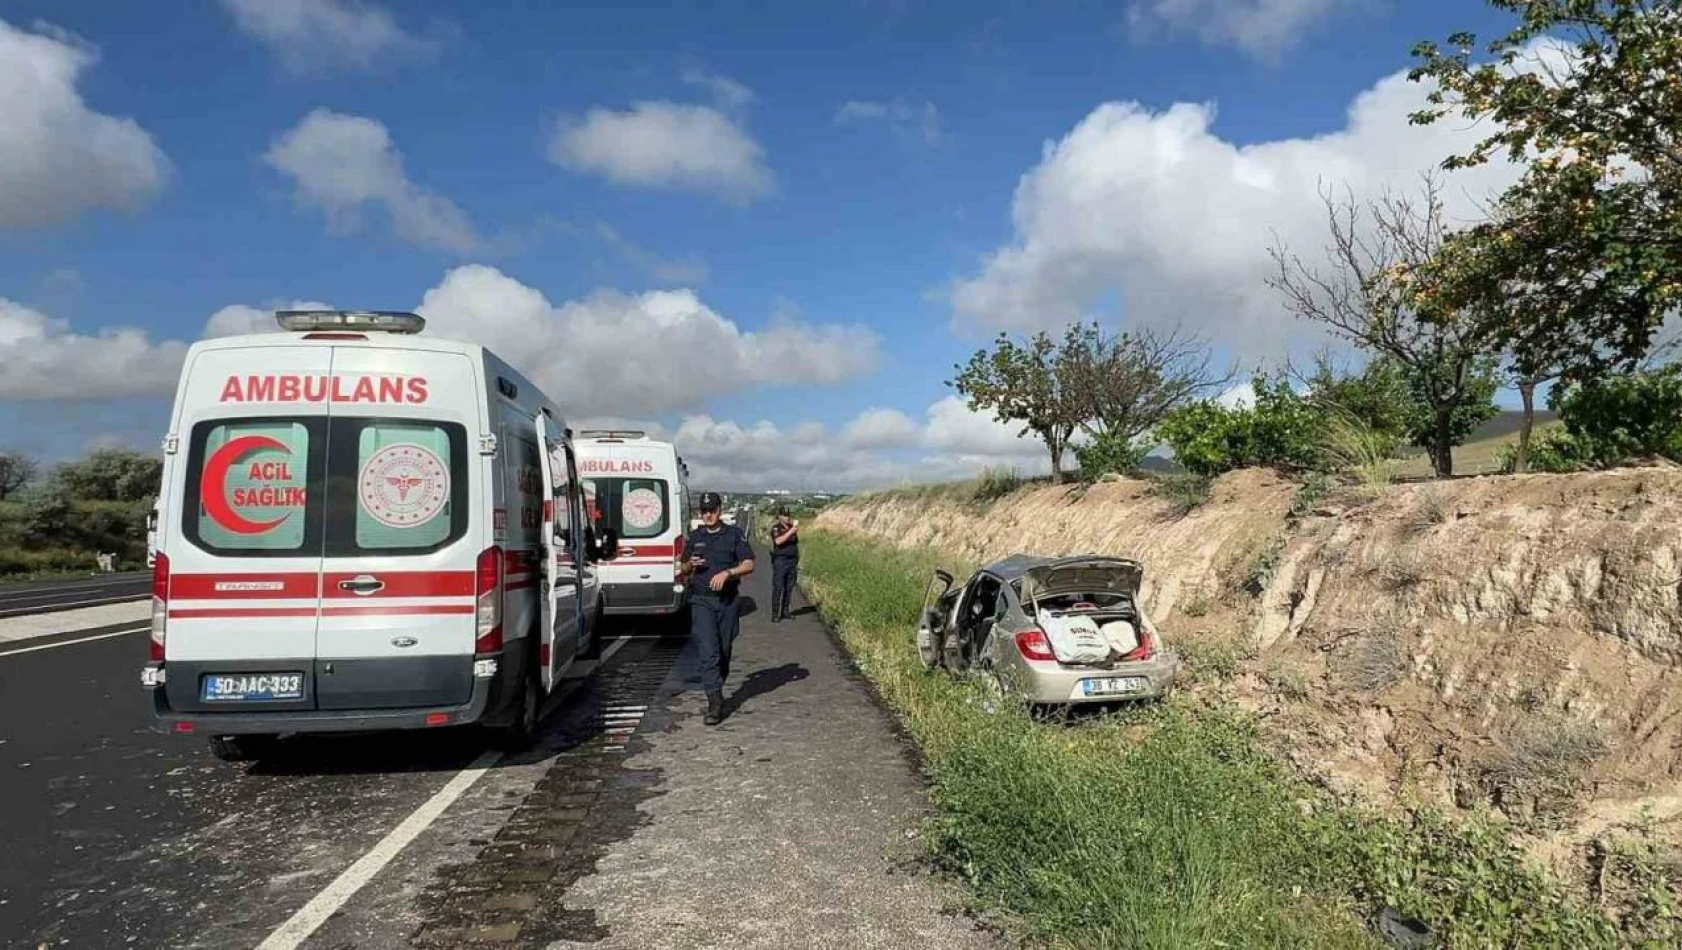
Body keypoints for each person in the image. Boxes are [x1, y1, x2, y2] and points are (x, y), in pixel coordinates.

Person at [680, 491, 755, 725]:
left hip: (727, 601)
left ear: (719, 510)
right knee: (708, 652)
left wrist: (728, 573)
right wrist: (689, 565)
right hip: (701, 600)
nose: (708, 515)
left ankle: (717, 687)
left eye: (712, 510)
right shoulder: (695, 537)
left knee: (723, 651)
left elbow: (749, 563)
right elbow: (681, 568)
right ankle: (714, 703)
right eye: (704, 511)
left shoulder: (734, 535)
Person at [768, 508, 799, 622]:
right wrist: (790, 532)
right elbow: (778, 541)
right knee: (778, 587)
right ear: (780, 516)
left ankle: (785, 611)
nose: (787, 517)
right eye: (785, 515)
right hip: (781, 561)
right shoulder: (776, 528)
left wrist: (792, 526)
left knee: (789, 587)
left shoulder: (791, 527)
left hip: (792, 560)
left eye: (788, 515)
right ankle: (775, 614)